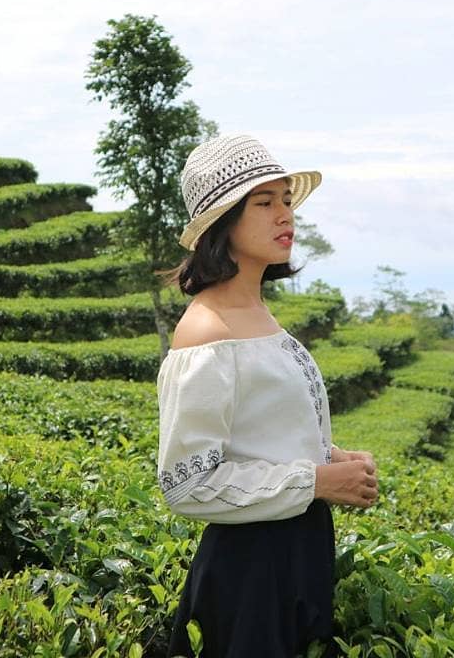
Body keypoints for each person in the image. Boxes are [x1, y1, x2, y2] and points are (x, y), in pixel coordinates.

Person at [157, 134, 379, 657]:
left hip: (295, 553)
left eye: (286, 200)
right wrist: (318, 480)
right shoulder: (206, 332)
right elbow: (186, 485)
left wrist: (333, 461)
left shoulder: (257, 313)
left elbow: (258, 435)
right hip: (250, 574)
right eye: (264, 203)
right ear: (223, 223)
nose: (285, 215)